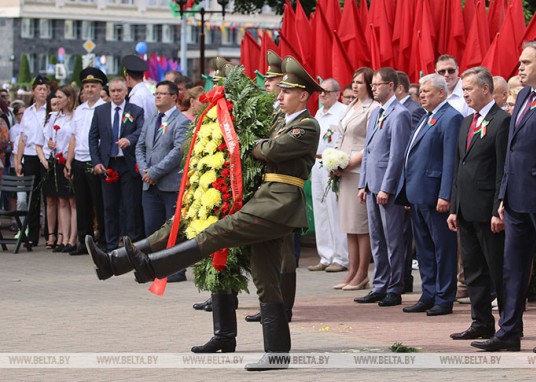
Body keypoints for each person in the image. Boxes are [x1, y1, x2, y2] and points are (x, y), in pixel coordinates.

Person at [87, 56, 322, 371]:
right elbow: (262, 145)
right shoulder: (282, 121)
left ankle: (152, 267)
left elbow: (270, 151)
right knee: (267, 281)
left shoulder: (307, 125)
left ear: (304, 95)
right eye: (281, 91)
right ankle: (277, 355)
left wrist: (256, 144)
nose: (279, 95)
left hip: (279, 203)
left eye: (287, 92)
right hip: (266, 198)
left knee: (216, 233)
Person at [471, 41, 536, 353]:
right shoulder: (527, 95)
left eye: (526, 62)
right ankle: (509, 331)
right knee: (512, 268)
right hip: (516, 198)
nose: (520, 68)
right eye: (520, 62)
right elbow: (513, 151)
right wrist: (502, 195)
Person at [447, 67, 509, 339]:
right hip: (466, 210)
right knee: (473, 270)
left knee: (497, 270)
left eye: (469, 89)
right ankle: (481, 321)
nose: (465, 95)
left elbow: (502, 170)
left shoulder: (502, 120)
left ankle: (507, 325)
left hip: (488, 211)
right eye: (463, 90)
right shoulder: (466, 122)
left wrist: (499, 208)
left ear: (486, 89)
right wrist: (453, 207)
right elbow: (459, 168)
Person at [398, 73, 461, 315]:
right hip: (418, 194)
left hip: (436, 195)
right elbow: (412, 156)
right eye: (421, 91)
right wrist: (407, 192)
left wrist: (446, 195)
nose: (422, 95)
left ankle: (444, 297)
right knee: (424, 248)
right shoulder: (427, 117)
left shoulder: (450, 117)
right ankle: (429, 293)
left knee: (442, 248)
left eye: (427, 91)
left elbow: (449, 160)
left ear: (442, 93)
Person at [244, 50, 298, 323]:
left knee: (285, 253)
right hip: (267, 186)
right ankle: (271, 305)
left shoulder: (293, 117)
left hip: (284, 190)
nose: (267, 84)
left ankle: (284, 308)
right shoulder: (275, 111)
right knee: (269, 252)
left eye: (272, 80)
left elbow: (273, 148)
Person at [354, 67, 411, 307]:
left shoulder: (400, 114)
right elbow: (368, 152)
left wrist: (387, 187)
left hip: (387, 188)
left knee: (393, 239)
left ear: (391, 86)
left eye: (378, 84)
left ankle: (395, 287)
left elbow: (398, 155)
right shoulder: (377, 112)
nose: (373, 87)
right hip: (372, 185)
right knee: (377, 238)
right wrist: (363, 183)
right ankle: (380, 284)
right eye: (373, 84)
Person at [135, 80, 189, 282]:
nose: (157, 96)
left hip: (169, 185)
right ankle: (154, 267)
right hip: (149, 184)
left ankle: (176, 269)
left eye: (162, 93)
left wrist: (155, 172)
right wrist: (144, 171)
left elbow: (178, 151)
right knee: (152, 227)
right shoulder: (150, 120)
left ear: (174, 97)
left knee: (173, 229)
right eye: (156, 93)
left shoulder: (181, 121)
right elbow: (140, 147)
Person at [334, 67, 378, 291]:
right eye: (353, 81)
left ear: (370, 84)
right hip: (344, 168)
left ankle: (362, 273)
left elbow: (370, 142)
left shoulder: (373, 108)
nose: (355, 85)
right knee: (349, 225)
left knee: (361, 225)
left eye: (360, 82)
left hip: (359, 170)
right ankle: (352, 270)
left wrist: (349, 163)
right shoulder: (351, 106)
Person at [89, 77, 145, 252]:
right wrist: (96, 162)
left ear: (126, 91)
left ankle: (132, 244)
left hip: (127, 164)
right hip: (108, 164)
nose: (116, 94)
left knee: (130, 205)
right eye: (112, 91)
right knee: (109, 206)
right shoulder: (100, 111)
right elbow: (93, 138)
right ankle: (111, 244)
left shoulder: (136, 110)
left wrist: (129, 139)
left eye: (119, 90)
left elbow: (141, 131)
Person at [435, 54, 471, 301]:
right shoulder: (437, 96)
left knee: (461, 235)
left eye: (450, 71)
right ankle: (454, 282)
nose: (447, 76)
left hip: (462, 167)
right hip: (440, 171)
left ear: (458, 71)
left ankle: (464, 283)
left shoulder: (464, 98)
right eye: (442, 72)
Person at [65, 68, 107, 255]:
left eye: (93, 86)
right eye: (87, 86)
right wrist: (69, 162)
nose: (89, 89)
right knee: (82, 203)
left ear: (100, 88)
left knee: (100, 202)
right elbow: (74, 138)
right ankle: (84, 241)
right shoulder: (79, 110)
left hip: (95, 161)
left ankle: (104, 240)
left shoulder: (105, 108)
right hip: (79, 160)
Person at [308, 78, 348, 274]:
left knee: (334, 210)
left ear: (336, 93)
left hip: (333, 162)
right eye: (320, 92)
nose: (322, 94)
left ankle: (341, 256)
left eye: (326, 91)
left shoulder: (342, 112)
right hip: (317, 162)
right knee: (320, 210)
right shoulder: (318, 113)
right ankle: (325, 255)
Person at [395, 70, 425, 294]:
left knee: (409, 238)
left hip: (417, 184)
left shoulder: (412, 111)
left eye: (425, 92)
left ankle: (405, 280)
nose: (421, 96)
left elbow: (409, 152)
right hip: (408, 184)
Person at [38, 87, 78, 252]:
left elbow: (75, 139)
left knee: (72, 200)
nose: (58, 100)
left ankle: (72, 239)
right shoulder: (55, 117)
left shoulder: (75, 116)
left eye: (60, 97)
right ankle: (62, 237)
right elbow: (46, 139)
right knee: (61, 200)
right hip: (57, 160)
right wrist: (50, 144)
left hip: (70, 159)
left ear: (69, 98)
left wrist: (69, 161)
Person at [15, 75, 49, 247]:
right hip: (29, 156)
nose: (42, 92)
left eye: (45, 89)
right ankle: (33, 234)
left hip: (46, 155)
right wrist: (18, 160)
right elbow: (22, 138)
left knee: (48, 196)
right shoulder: (28, 112)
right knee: (32, 196)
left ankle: (50, 234)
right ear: (34, 91)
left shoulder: (51, 110)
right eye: (39, 89)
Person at [123, 55, 155, 121]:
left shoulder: (136, 97)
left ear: (128, 76)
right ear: (143, 75)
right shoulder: (148, 93)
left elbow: (134, 121)